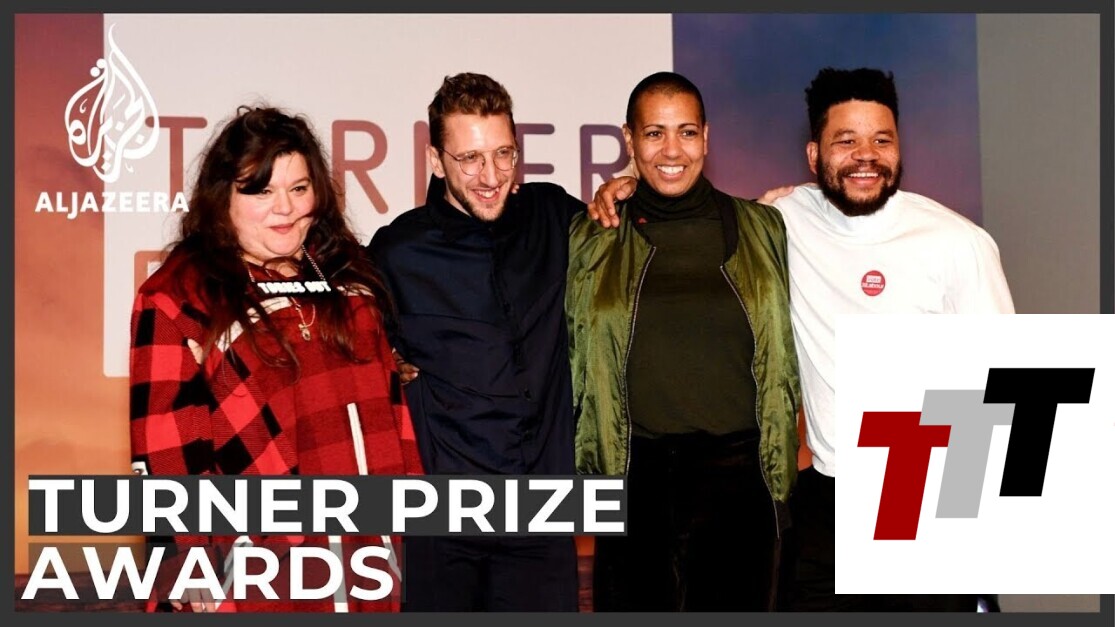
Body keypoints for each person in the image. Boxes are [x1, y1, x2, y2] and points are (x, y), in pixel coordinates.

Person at [590, 67, 1014, 612]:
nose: (866, 156)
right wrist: (625, 184)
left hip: (920, 503)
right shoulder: (779, 222)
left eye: (882, 140)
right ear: (814, 156)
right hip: (821, 504)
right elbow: (681, 203)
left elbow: (1009, 388)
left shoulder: (959, 243)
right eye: (846, 141)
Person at [129, 106, 423, 613]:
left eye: (299, 188)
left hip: (369, 556)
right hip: (260, 563)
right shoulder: (180, 296)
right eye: (261, 191)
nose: (284, 208)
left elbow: (394, 421)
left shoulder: (348, 276)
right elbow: (163, 450)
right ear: (223, 198)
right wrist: (185, 560)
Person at [567, 71, 801, 611]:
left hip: (743, 479)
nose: (672, 150)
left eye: (687, 132)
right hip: (634, 479)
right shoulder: (590, 236)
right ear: (629, 140)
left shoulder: (765, 227)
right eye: (654, 133)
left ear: (706, 137)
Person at [366, 73, 583, 612]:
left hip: (541, 513)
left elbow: (637, 239)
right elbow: (350, 353)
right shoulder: (396, 252)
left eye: (503, 154)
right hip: (441, 527)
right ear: (436, 161)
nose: (490, 176)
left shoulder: (554, 217)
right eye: (469, 159)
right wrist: (383, 360)